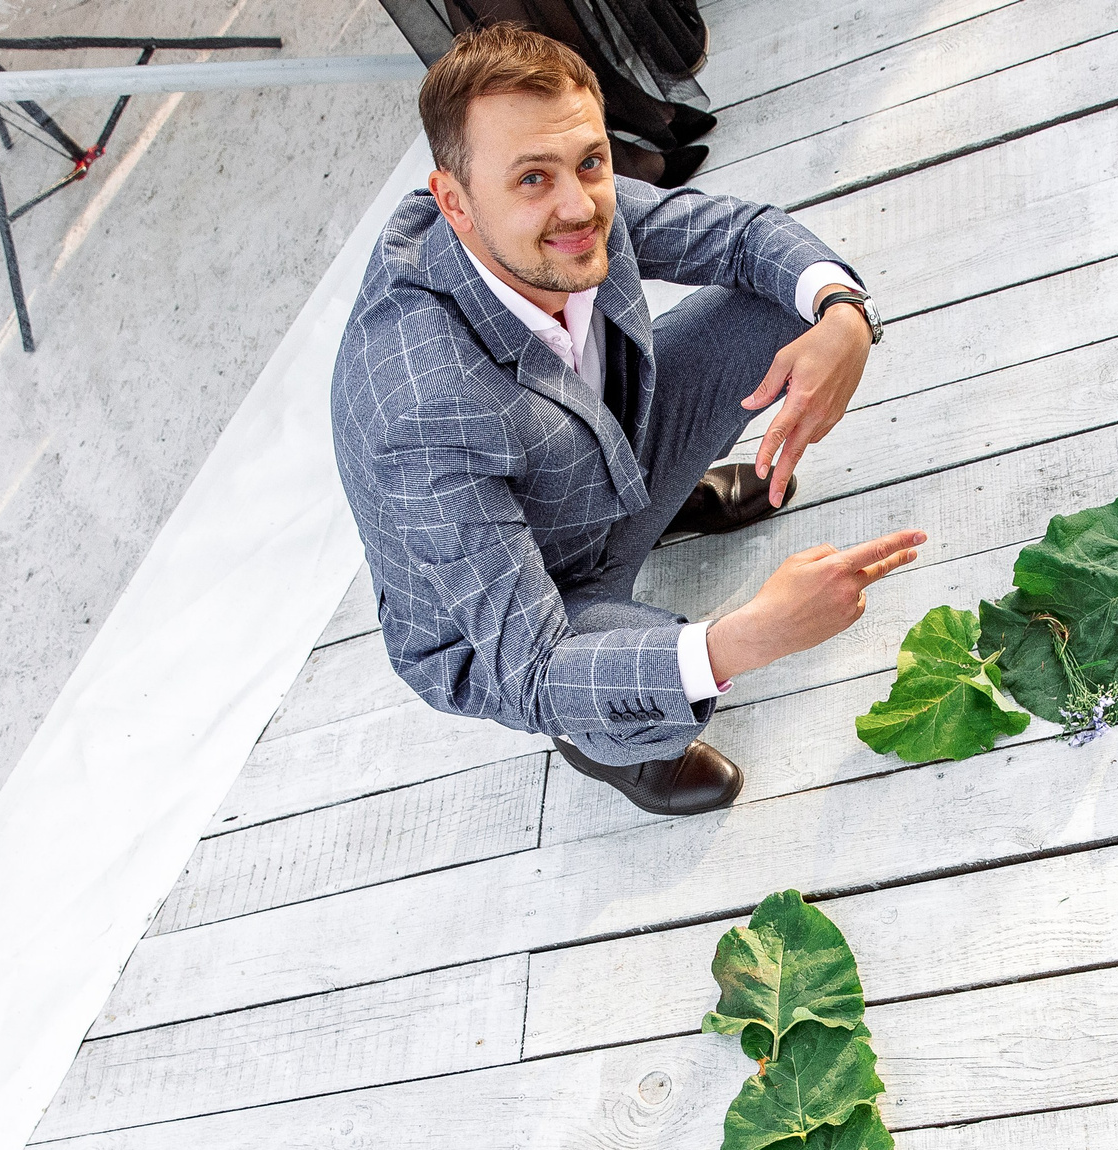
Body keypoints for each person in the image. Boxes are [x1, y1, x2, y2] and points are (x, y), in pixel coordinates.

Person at [332, 23, 923, 816]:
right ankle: (609, 749)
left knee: (781, 299)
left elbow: (743, 238)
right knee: (645, 683)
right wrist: (742, 639)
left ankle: (661, 502)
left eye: (591, 162)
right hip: (517, 616)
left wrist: (848, 314)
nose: (580, 207)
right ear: (455, 202)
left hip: (596, 460)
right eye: (533, 180)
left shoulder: (567, 208)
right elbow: (530, 668)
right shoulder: (418, 407)